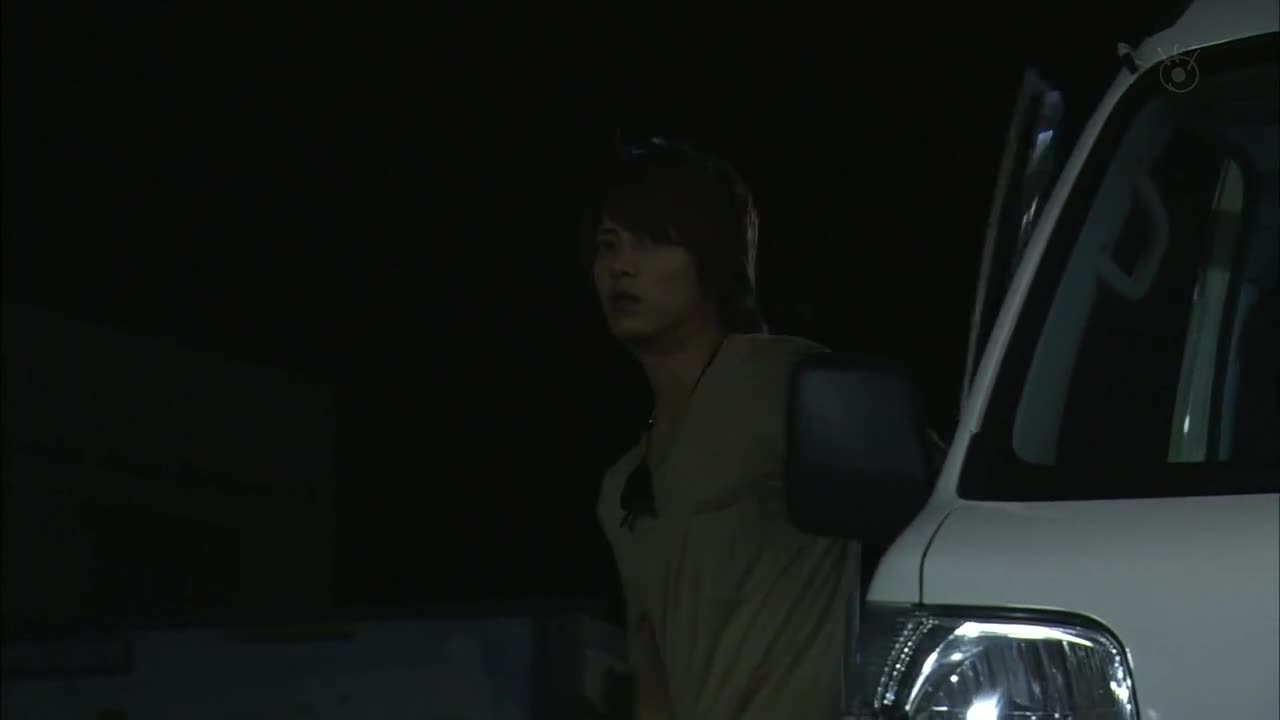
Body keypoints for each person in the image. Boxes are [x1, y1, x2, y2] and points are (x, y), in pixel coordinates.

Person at [586, 138, 852, 719]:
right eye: (608, 245)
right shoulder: (623, 485)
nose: (620, 266)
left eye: (650, 241)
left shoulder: (782, 382)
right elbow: (653, 677)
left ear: (710, 256)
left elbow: (943, 507)